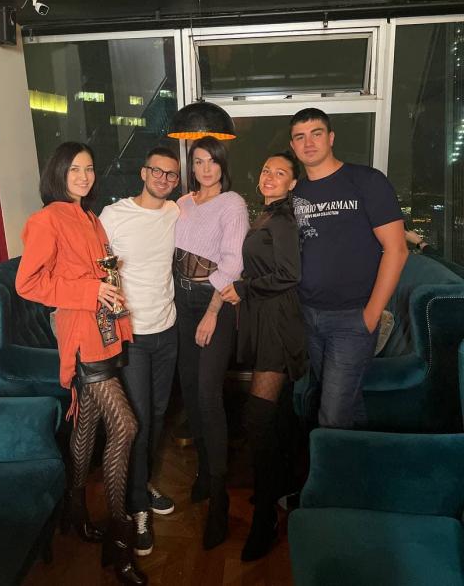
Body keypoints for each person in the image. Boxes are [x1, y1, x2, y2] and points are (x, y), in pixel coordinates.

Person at [15, 141, 147, 586]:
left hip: (104, 331)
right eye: (74, 169)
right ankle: (119, 540)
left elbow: (94, 273)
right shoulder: (46, 219)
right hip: (81, 336)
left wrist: (108, 285)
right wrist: (90, 290)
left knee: (87, 425)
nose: (84, 176)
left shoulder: (89, 217)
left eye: (89, 168)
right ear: (58, 172)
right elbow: (28, 283)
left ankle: (74, 511)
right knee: (126, 427)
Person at [290, 108, 408, 429]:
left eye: (316, 134)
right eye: (300, 137)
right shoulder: (297, 193)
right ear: (293, 145)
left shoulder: (366, 181)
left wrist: (370, 315)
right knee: (346, 401)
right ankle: (362, 454)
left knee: (332, 415)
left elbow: (397, 250)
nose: (308, 143)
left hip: (352, 318)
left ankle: (331, 462)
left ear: (331, 138)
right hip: (309, 315)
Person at [221, 150, 306, 562]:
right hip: (264, 317)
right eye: (267, 170)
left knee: (257, 418)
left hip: (277, 322)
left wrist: (245, 287)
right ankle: (283, 486)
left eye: (281, 172)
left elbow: (290, 274)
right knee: (277, 416)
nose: (270, 176)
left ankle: (266, 517)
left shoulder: (284, 219)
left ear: (293, 183)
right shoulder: (267, 215)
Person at [100, 146, 180, 558]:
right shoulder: (114, 215)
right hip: (131, 333)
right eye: (157, 171)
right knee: (140, 420)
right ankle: (136, 506)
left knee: (159, 414)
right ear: (144, 173)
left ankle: (142, 481)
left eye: (171, 175)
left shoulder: (175, 212)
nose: (163, 179)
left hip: (168, 328)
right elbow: (94, 264)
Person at [174, 136, 250, 550]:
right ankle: (204, 470)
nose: (205, 168)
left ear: (222, 164)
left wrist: (212, 311)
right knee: (189, 391)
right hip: (179, 299)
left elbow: (234, 263)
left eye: (211, 161)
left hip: (212, 301)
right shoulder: (183, 202)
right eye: (198, 161)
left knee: (207, 394)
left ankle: (219, 499)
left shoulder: (232, 203)